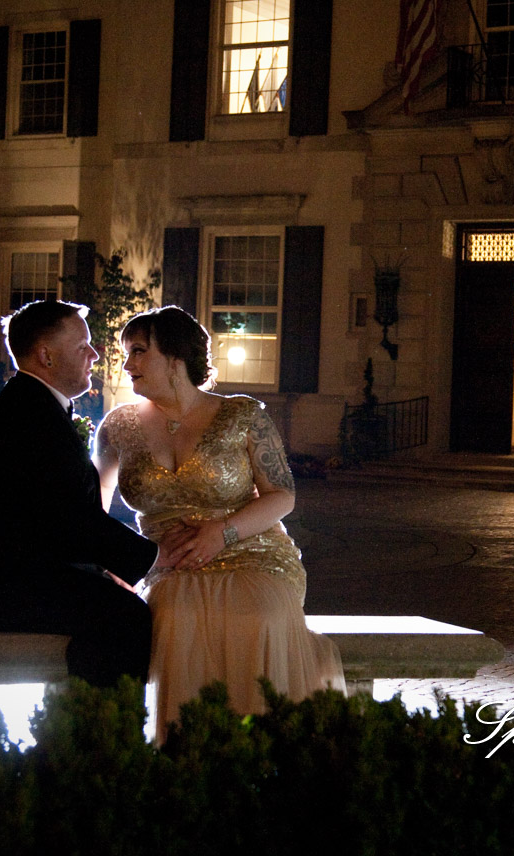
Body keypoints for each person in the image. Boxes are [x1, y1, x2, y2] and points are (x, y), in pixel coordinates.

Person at [95, 306, 344, 741]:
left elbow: (282, 495)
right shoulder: (117, 427)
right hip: (168, 563)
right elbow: (90, 511)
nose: (127, 364)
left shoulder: (243, 415)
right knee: (174, 614)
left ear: (175, 359)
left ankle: (265, 748)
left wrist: (222, 532)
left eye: (137, 351)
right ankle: (190, 752)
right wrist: (119, 564)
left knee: (262, 612)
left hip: (253, 553)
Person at [0, 300, 158, 686]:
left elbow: (50, 518)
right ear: (46, 355)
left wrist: (110, 565)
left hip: (7, 571)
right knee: (124, 616)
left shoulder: (34, 405)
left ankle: (80, 722)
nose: (94, 354)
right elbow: (67, 519)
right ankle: (96, 732)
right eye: (82, 345)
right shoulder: (29, 416)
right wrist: (154, 556)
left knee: (113, 603)